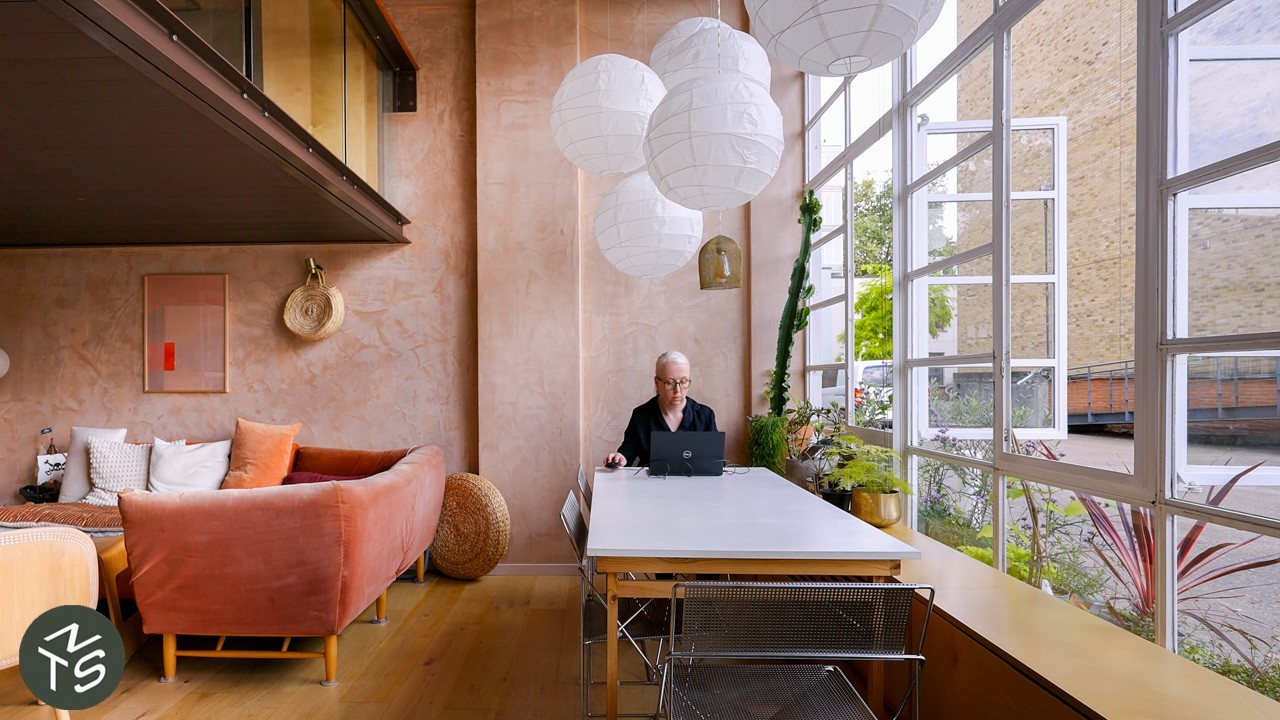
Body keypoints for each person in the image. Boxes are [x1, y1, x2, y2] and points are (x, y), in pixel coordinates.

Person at [603, 350, 717, 468]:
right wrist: (620, 458)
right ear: (657, 383)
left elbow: (716, 461)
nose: (677, 390)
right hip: (651, 485)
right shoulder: (641, 416)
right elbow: (628, 453)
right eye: (669, 382)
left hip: (695, 485)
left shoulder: (705, 415)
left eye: (683, 382)